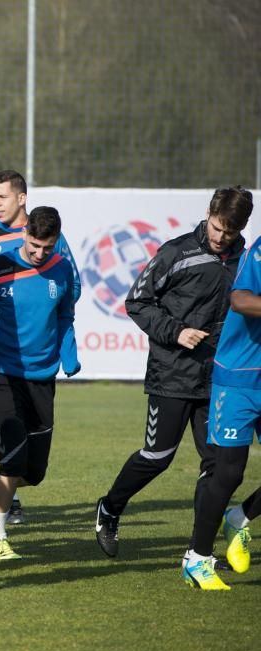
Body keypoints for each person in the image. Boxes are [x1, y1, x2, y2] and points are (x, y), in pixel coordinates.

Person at [94, 187, 249, 560]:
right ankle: (109, 508)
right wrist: (176, 331)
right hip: (172, 373)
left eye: (229, 232)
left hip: (219, 379)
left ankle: (200, 550)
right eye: (216, 227)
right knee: (157, 456)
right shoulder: (176, 252)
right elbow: (137, 301)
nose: (220, 237)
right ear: (208, 214)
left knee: (215, 464)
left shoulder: (245, 260)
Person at [0, 170, 82, 527]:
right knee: (13, 458)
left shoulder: (59, 265)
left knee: (34, 472)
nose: (39, 253)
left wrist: (68, 350)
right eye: (34, 245)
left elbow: (67, 304)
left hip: (41, 372)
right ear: (25, 235)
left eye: (46, 247)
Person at [182, 188, 258, 590]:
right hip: (240, 377)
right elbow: (241, 298)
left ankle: (239, 517)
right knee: (227, 472)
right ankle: (196, 558)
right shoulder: (260, 250)